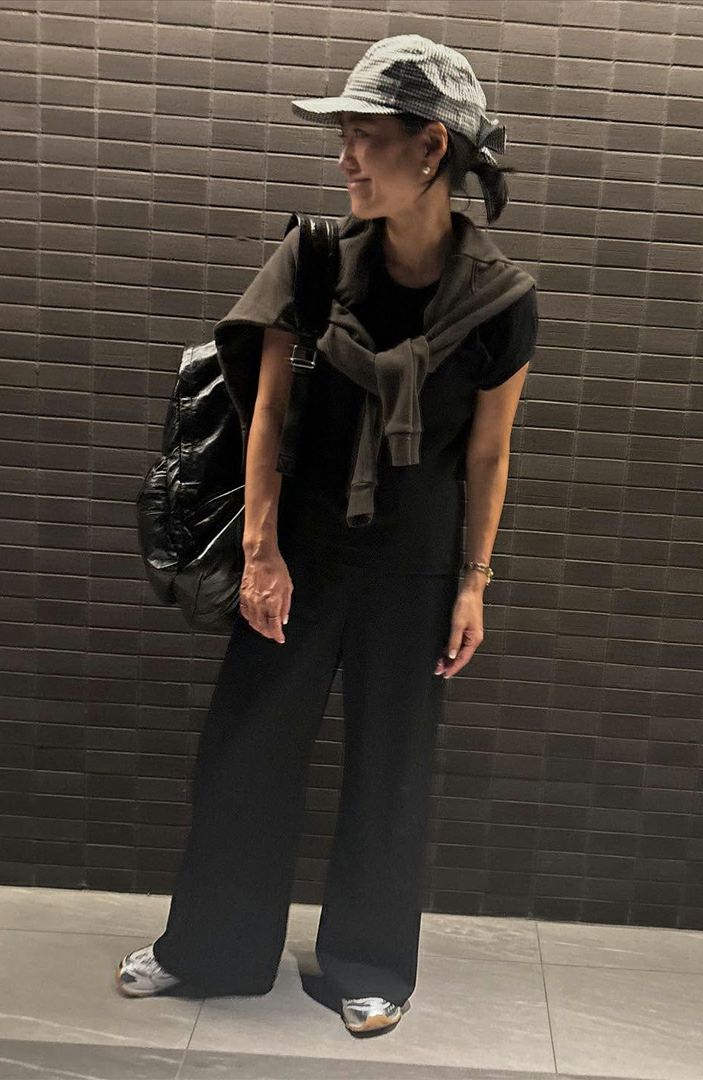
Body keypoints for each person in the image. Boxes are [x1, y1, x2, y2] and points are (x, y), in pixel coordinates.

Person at [114, 34, 539, 1037]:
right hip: (300, 555)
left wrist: (474, 582)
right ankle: (210, 949)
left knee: (392, 773)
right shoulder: (311, 263)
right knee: (245, 754)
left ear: (431, 148)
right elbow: (265, 418)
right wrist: (261, 554)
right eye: (341, 136)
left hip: (417, 566)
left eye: (364, 137)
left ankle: (369, 963)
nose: (345, 158)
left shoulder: (500, 300)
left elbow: (488, 455)